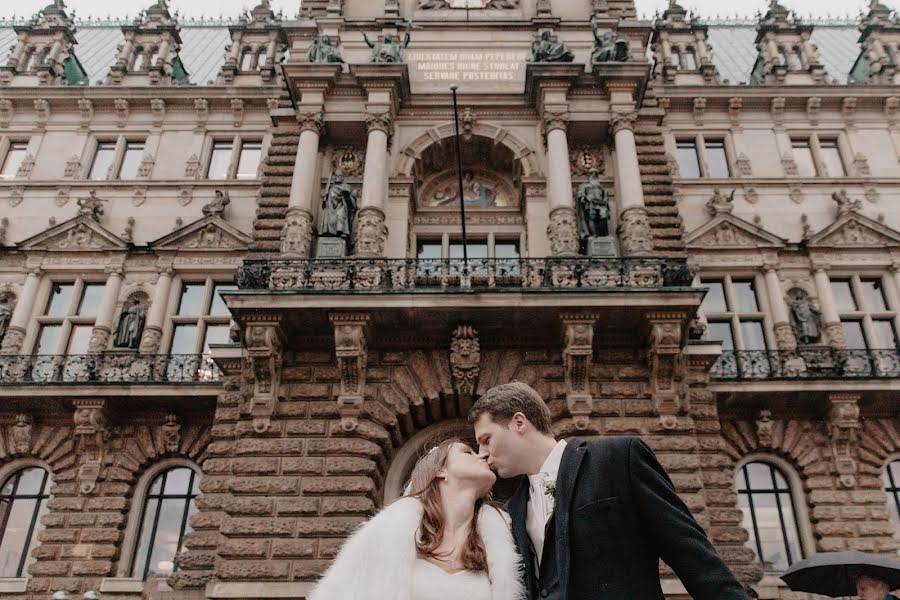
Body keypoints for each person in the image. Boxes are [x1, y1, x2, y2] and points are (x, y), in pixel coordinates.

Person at [470, 381, 748, 600]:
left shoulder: (618, 459)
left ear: (519, 423)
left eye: (486, 439)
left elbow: (694, 556)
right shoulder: (514, 508)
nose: (482, 453)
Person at [308, 439, 525, 600]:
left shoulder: (507, 540)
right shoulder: (388, 533)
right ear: (440, 470)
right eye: (467, 452)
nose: (482, 456)